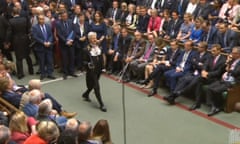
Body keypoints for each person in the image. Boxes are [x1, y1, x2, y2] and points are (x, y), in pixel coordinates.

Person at [189, 44, 226, 110]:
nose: (212, 52)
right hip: (207, 77)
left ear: (219, 51)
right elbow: (205, 65)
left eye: (214, 51)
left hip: (215, 79)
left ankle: (212, 105)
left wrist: (207, 73)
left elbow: (218, 72)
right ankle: (197, 103)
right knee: (199, 80)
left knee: (199, 80)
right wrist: (203, 71)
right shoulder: (210, 57)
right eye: (212, 51)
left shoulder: (223, 60)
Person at [206, 47, 240, 116]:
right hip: (225, 79)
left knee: (216, 90)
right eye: (232, 53)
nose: (232, 54)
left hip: (233, 82)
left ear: (238, 54)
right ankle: (214, 105)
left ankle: (216, 107)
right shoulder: (232, 60)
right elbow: (222, 69)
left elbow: (236, 73)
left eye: (234, 53)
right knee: (209, 88)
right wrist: (227, 62)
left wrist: (229, 70)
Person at [82, 32, 107, 112]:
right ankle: (101, 104)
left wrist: (103, 67)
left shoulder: (99, 46)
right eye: (93, 38)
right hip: (91, 71)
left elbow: (101, 57)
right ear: (89, 39)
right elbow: (83, 61)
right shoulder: (86, 49)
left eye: (95, 37)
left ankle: (86, 94)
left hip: (99, 69)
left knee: (92, 85)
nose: (95, 39)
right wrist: (88, 64)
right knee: (96, 86)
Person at [6, 7, 33, 79]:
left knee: (18, 58)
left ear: (12, 13)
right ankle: (31, 71)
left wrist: (7, 42)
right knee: (27, 56)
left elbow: (9, 33)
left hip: (16, 41)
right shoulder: (25, 19)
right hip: (25, 39)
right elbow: (29, 29)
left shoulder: (10, 21)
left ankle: (20, 74)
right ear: (19, 12)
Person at [32, 14, 56, 80]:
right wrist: (43, 42)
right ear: (38, 20)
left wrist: (49, 42)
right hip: (40, 47)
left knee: (49, 61)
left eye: (43, 19)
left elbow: (51, 35)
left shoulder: (48, 26)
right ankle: (43, 74)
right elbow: (35, 37)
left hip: (48, 46)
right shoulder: (35, 27)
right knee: (41, 61)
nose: (42, 20)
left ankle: (50, 73)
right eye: (40, 19)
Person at [56, 11, 78, 80]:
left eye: (65, 16)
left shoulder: (71, 22)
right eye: (63, 16)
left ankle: (72, 71)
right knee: (65, 59)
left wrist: (71, 40)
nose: (64, 17)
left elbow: (74, 31)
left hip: (71, 43)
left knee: (72, 57)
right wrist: (66, 41)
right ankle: (65, 72)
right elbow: (59, 34)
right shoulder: (58, 23)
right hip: (63, 44)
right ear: (61, 17)